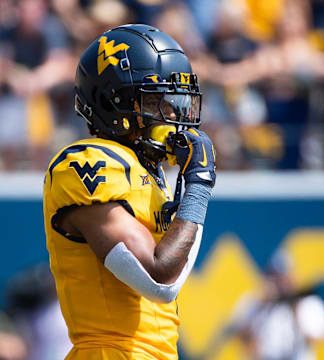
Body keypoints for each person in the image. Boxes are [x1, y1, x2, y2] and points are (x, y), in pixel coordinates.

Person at [43, 24, 216, 360]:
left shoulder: (147, 175)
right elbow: (159, 278)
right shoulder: (86, 163)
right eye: (156, 102)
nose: (173, 115)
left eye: (175, 102)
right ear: (113, 103)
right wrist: (198, 187)